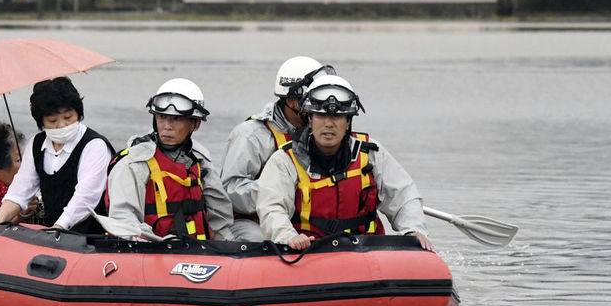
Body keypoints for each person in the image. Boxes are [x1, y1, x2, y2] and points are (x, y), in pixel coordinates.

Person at [256, 75, 434, 251]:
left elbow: (403, 196)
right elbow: (272, 208)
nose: (329, 124)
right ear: (309, 119)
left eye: (337, 117)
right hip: (308, 253)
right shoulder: (285, 160)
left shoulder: (370, 153)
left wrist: (413, 230)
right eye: (320, 115)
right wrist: (288, 236)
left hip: (367, 251)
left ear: (348, 121)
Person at [221, 56, 334, 241]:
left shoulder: (321, 132)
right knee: (260, 240)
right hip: (251, 222)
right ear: (292, 101)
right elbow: (230, 190)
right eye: (313, 100)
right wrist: (282, 189)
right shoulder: (251, 135)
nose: (320, 107)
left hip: (299, 218)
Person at [106, 78, 234, 241]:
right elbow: (123, 222)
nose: (167, 126)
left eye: (177, 119)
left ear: (195, 124)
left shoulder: (200, 161)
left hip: (200, 253)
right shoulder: (133, 163)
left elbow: (221, 221)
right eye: (162, 117)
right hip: (151, 254)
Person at [0, 76, 113, 233]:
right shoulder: (36, 144)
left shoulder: (95, 145)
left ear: (79, 114)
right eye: (52, 121)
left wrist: (59, 228)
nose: (61, 125)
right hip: (53, 236)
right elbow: (20, 191)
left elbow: (86, 197)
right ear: (41, 122)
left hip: (92, 238)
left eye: (68, 117)